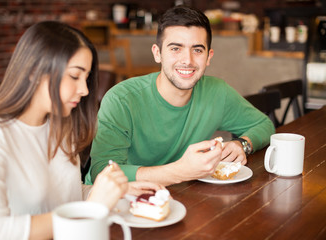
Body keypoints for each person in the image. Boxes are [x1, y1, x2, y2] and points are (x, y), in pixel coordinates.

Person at [0, 21, 163, 240]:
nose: (85, 89)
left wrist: (116, 191)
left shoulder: (62, 125)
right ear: (34, 71)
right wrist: (92, 207)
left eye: (86, 78)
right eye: (74, 76)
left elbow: (66, 196)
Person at [86, 5, 275, 186]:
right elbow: (102, 171)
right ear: (157, 53)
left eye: (197, 50)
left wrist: (242, 144)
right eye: (175, 48)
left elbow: (264, 125)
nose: (187, 60)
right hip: (114, 202)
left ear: (209, 57)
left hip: (178, 198)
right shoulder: (122, 99)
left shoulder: (217, 92)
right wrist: (181, 171)